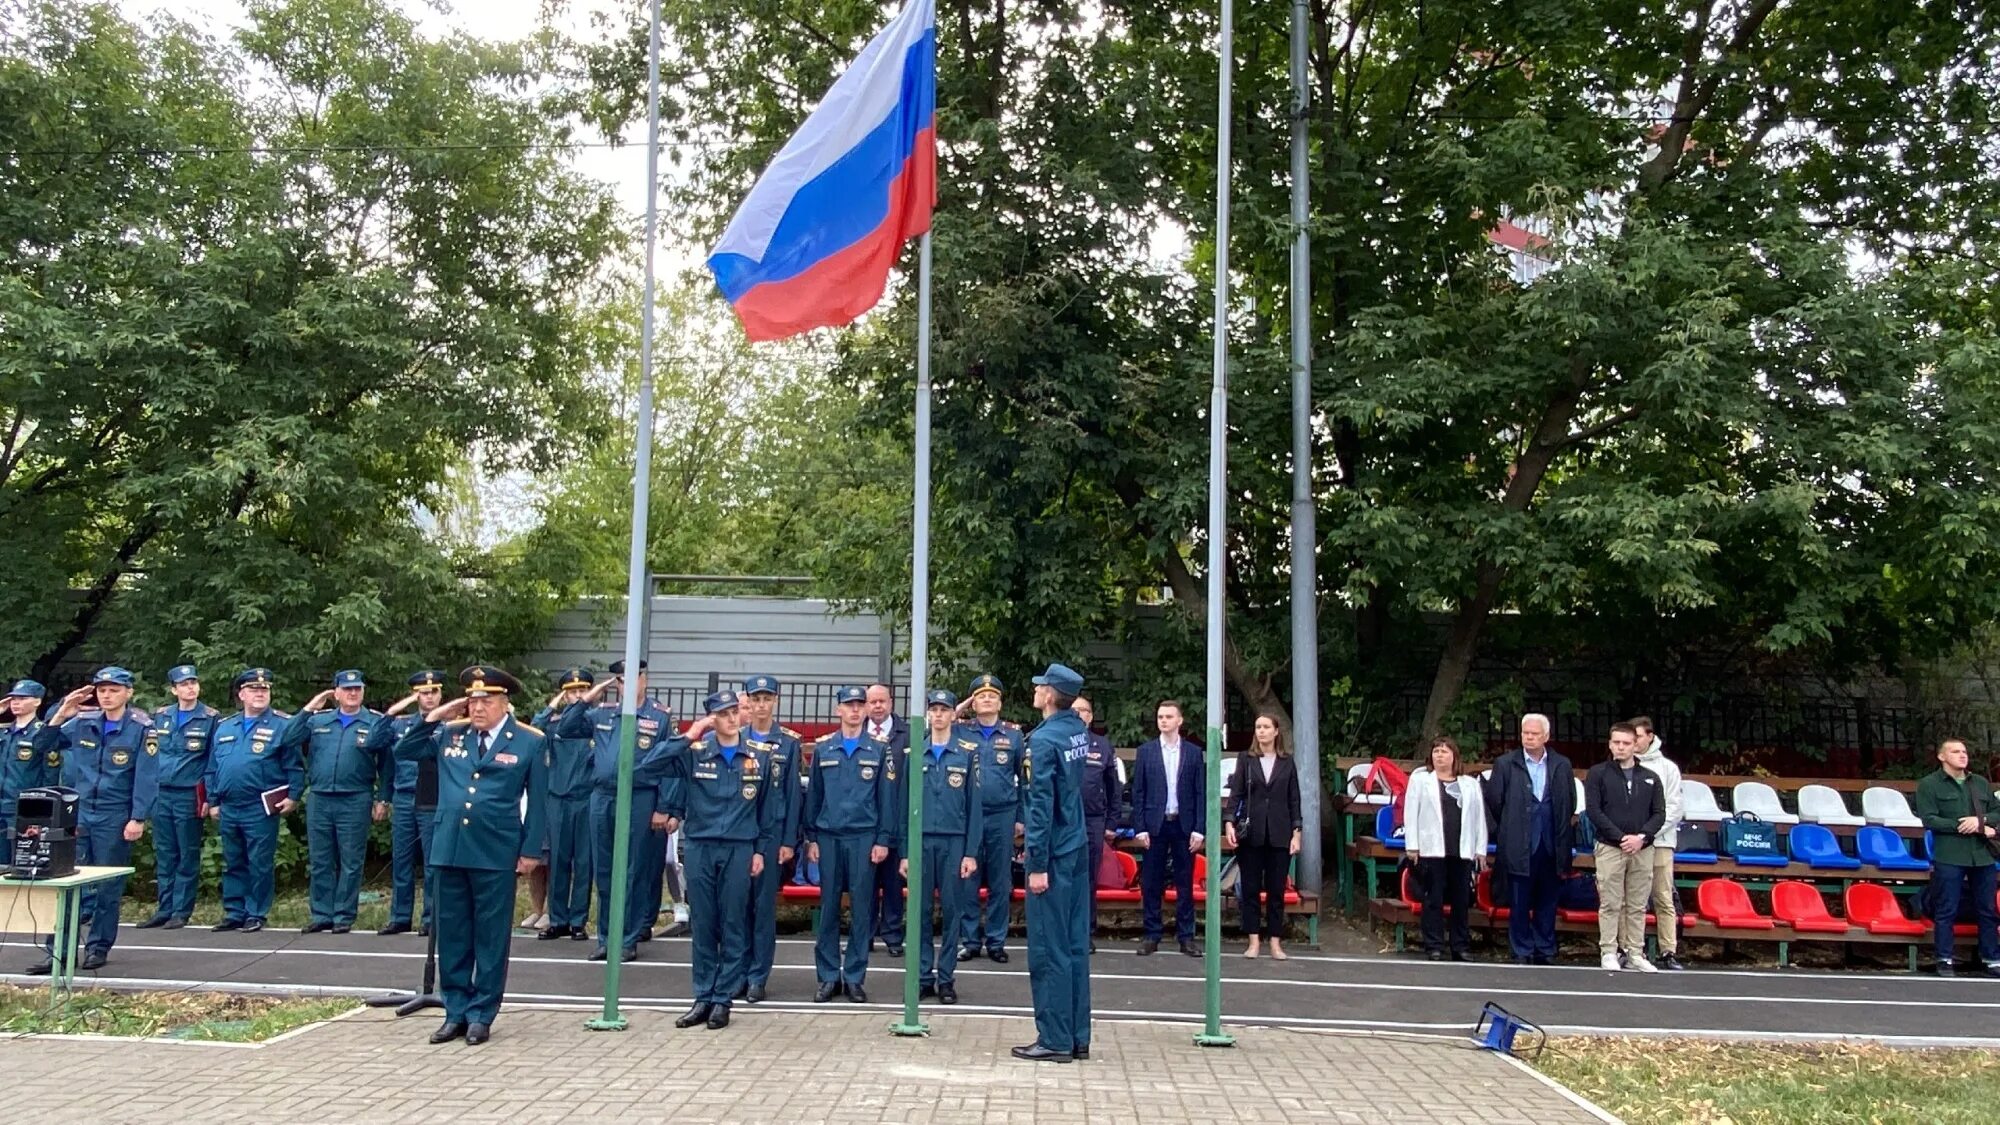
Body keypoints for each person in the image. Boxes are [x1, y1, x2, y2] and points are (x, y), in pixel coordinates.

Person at [395, 665, 547, 1047]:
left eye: (487, 701)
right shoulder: (450, 733)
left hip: (496, 848)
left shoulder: (528, 740)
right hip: (450, 847)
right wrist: (434, 717)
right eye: (473, 700)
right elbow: (405, 750)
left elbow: (540, 802)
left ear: (504, 702)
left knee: (491, 937)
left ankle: (482, 1014)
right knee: (453, 934)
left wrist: (530, 850)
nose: (478, 708)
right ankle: (455, 1011)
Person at [656, 691, 778, 1031]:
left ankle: (723, 999)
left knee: (734, 923)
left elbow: (768, 811)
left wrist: (759, 850)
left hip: (739, 848)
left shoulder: (759, 757)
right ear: (711, 718)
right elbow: (651, 761)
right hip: (700, 846)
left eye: (734, 712)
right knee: (704, 924)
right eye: (721, 714)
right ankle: (703, 996)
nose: (729, 718)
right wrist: (691, 734)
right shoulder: (695, 753)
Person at [28, 667, 157, 973]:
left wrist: (138, 817)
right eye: (102, 690)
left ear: (128, 693)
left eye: (113, 690)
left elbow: (147, 777)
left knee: (107, 886)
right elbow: (41, 745)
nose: (107, 695)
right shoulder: (83, 722)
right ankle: (59, 950)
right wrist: (62, 713)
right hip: (80, 813)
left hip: (115, 814)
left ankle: (98, 946)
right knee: (66, 881)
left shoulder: (141, 728)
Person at [558, 660, 675, 963]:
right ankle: (606, 938)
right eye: (621, 680)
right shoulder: (603, 713)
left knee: (633, 869)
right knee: (605, 870)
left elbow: (670, 766)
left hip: (640, 798)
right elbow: (567, 727)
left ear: (644, 680)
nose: (627, 685)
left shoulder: (658, 717)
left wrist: (663, 807)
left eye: (633, 678)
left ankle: (628, 938)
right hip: (603, 797)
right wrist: (587, 698)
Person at [1012, 663, 1092, 1063]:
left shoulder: (1041, 742)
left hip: (1054, 853)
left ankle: (1055, 1037)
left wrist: (1036, 863)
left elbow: (1041, 807)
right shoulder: (1077, 729)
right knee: (1075, 945)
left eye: (1040, 686)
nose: (1035, 690)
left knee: (1048, 948)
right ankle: (1078, 1035)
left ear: (1050, 695)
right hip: (1076, 846)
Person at [803, 685, 894, 1003]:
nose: (855, 710)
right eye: (848, 705)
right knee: (828, 908)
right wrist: (810, 837)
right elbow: (814, 795)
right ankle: (828, 976)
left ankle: (854, 976)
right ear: (837, 710)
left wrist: (883, 839)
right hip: (828, 837)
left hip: (863, 838)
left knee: (862, 909)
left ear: (867, 710)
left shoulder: (880, 749)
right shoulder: (824, 748)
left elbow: (887, 799)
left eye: (859, 705)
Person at [283, 670, 392, 934]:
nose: (353, 693)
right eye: (347, 689)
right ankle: (322, 914)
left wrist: (383, 798)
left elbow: (388, 765)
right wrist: (309, 708)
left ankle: (343, 915)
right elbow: (287, 739)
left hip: (355, 796)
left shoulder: (374, 722)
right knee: (320, 859)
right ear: (336, 693)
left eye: (357, 688)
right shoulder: (319, 721)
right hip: (320, 796)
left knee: (351, 860)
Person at [204, 668, 300, 933]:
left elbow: (294, 765)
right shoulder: (226, 726)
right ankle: (234, 911)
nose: (260, 694)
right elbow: (212, 768)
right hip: (229, 805)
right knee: (232, 860)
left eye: (265, 690)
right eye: (254, 690)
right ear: (241, 694)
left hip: (260, 805)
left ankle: (256, 912)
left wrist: (293, 795)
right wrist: (213, 800)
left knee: (259, 861)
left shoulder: (282, 725)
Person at [901, 689, 979, 1003]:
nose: (938, 715)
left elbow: (975, 807)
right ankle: (922, 976)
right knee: (919, 913)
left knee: (951, 911)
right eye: (933, 710)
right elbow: (903, 807)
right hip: (921, 842)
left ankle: (946, 978)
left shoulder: (966, 753)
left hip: (954, 842)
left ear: (952, 715)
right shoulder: (914, 754)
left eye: (944, 710)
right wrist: (905, 852)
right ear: (928, 715)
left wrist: (970, 852)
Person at [1483, 712, 1576, 965]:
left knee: (1548, 899)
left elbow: (1570, 802)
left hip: (1551, 841)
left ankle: (1545, 948)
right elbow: (1494, 801)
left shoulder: (1561, 764)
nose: (1529, 738)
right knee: (1519, 900)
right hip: (1518, 842)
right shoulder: (1505, 764)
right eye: (1526, 733)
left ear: (1546, 736)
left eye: (1535, 734)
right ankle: (1521, 949)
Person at [738, 673, 804, 1002]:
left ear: (775, 700)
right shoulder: (735, 739)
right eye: (756, 699)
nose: (761, 705)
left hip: (772, 835)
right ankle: (736, 970)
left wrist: (789, 841)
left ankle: (757, 976)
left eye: (767, 699)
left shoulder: (789, 743)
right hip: (739, 835)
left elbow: (794, 796)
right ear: (747, 701)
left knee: (763, 909)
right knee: (737, 907)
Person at [368, 670, 449, 936]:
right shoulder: (401, 724)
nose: (429, 697)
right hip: (404, 797)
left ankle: (430, 918)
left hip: (434, 799)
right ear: (416, 696)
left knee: (431, 862)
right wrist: (393, 711)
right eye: (423, 693)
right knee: (401, 860)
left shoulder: (449, 725)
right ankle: (400, 917)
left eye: (434, 692)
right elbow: (373, 743)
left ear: (440, 694)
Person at [138, 664, 218, 930]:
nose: (190, 688)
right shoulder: (159, 717)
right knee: (165, 852)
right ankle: (164, 907)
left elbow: (211, 761)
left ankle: (181, 911)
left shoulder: (210, 718)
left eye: (193, 682)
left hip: (188, 793)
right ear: (174, 689)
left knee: (187, 852)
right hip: (161, 792)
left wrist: (209, 796)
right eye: (184, 684)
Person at [1914, 738, 2000, 977]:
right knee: (1946, 909)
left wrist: (1980, 822)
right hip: (1949, 854)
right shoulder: (1930, 785)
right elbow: (1929, 819)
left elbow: (1997, 810)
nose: (1962, 755)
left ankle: (1991, 959)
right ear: (1942, 757)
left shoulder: (1979, 783)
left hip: (1981, 855)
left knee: (1987, 909)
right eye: (1955, 751)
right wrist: (1961, 825)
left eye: (1964, 751)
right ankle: (1944, 959)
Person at [1583, 722, 1665, 972]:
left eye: (1626, 743)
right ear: (1610, 744)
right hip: (1610, 847)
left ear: (1635, 746)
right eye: (1616, 742)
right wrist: (1620, 838)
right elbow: (1594, 811)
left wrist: (1642, 837)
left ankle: (1635, 952)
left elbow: (1659, 813)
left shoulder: (1650, 777)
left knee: (1638, 902)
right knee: (1610, 901)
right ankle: (1608, 950)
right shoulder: (1598, 774)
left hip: (1642, 848)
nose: (1620, 747)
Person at [1225, 713, 1303, 960]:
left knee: (1276, 890)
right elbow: (1235, 793)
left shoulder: (1287, 762)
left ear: (1276, 731)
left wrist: (1297, 832)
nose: (1261, 731)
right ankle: (1253, 940)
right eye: (1258, 727)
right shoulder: (1246, 759)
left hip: (1280, 833)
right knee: (1249, 888)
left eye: (1266, 727)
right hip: (1252, 832)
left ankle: (1276, 942)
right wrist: (1229, 823)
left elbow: (1294, 799)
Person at [1402, 736, 1486, 962]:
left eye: (1445, 751)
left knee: (1461, 899)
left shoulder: (1469, 784)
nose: (1440, 755)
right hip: (1431, 850)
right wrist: (1413, 846)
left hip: (1461, 850)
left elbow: (1479, 819)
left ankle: (1460, 945)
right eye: (1436, 751)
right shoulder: (1421, 781)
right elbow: (1411, 813)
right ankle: (1434, 945)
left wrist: (1480, 849)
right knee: (1433, 898)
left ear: (1454, 756)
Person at [1131, 699, 1205, 956]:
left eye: (1169, 716)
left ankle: (1186, 937)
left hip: (1183, 825)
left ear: (1180, 720)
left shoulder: (1194, 753)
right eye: (1160, 716)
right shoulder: (1146, 751)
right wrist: (1140, 827)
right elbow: (1138, 792)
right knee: (1151, 882)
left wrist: (1199, 828)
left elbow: (1200, 793)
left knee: (1185, 883)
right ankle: (1152, 934)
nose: (1163, 720)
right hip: (1156, 824)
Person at [958, 674, 1022, 963]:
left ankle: (996, 940)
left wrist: (1021, 817)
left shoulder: (1013, 735)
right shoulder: (960, 731)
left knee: (1000, 880)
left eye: (992, 696)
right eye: (980, 696)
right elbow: (922, 739)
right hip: (967, 816)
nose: (986, 699)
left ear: (1000, 702)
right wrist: (957, 711)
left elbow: (1027, 780)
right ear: (973, 702)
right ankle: (970, 940)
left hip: (1002, 814)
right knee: (967, 878)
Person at [530, 668, 596, 942]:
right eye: (572, 691)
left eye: (583, 690)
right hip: (557, 799)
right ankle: (557, 919)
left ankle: (578, 920)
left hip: (586, 799)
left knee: (584, 862)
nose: (578, 695)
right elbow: (534, 728)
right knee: (558, 861)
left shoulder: (596, 721)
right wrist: (553, 704)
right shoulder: (555, 724)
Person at [1071, 694, 1123, 953]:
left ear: (1091, 717)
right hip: (1064, 820)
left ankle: (1085, 932)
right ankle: (1063, 931)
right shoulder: (1059, 741)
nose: (1080, 715)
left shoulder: (1102, 746)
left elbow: (1114, 789)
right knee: (1063, 877)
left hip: (1092, 821)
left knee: (1087, 878)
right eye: (1075, 710)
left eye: (1085, 711)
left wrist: (1112, 821)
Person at [1632, 716, 1685, 970]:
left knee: (1663, 896)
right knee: (1633, 897)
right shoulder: (1623, 764)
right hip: (1631, 842)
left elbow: (1674, 808)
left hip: (1661, 841)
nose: (1634, 741)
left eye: (1638, 736)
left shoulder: (1668, 768)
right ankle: (1633, 949)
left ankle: (1668, 951)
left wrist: (1647, 833)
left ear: (1650, 736)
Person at [865, 681, 911, 955]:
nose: (878, 706)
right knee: (866, 884)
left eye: (882, 701)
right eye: (873, 701)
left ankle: (893, 937)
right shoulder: (857, 733)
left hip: (897, 819)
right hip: (867, 821)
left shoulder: (907, 734)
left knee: (894, 884)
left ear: (891, 702)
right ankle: (865, 935)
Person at [1, 680, 55, 839]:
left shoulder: (43, 734)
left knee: (20, 861)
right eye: (13, 699)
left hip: (23, 811)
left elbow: (49, 779)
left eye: (23, 699)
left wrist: (41, 817)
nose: (16, 703)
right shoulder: (3, 732)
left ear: (37, 701)